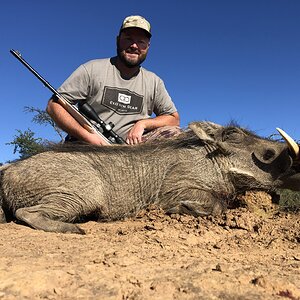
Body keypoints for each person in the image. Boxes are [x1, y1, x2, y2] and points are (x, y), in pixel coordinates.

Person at [46, 15, 180, 145]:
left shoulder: (154, 82)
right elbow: (54, 105)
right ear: (118, 40)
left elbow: (174, 119)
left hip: (130, 149)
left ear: (147, 47)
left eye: (141, 42)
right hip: (88, 144)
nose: (134, 46)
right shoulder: (92, 69)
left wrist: (143, 123)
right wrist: (88, 137)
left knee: (173, 132)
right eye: (128, 39)